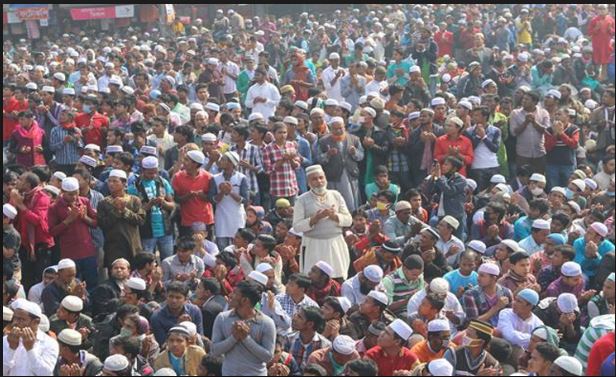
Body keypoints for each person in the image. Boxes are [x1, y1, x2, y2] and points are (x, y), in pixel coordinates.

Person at [293, 165, 353, 280]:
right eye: (314, 179)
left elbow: (349, 220)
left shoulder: (336, 195)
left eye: (321, 178)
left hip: (335, 244)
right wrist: (315, 218)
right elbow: (297, 227)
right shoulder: (301, 200)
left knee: (337, 277)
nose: (319, 182)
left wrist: (334, 216)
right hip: (313, 246)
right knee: (314, 280)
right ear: (308, 182)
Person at [211, 280, 276, 376]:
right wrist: (234, 338)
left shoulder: (266, 323)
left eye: (235, 293)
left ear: (245, 300)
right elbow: (215, 350)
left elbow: (268, 357)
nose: (230, 295)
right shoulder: (223, 318)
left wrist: (246, 338)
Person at [47, 177, 98, 289]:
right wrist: (68, 220)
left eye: (76, 193)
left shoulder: (84, 201)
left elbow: (95, 223)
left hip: (88, 251)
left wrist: (84, 218)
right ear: (62, 192)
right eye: (70, 194)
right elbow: (52, 232)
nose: (74, 197)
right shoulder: (54, 207)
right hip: (69, 254)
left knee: (92, 284)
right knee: (71, 286)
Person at [97, 169, 145, 268]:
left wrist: (124, 211)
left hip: (133, 245)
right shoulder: (103, 203)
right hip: (113, 247)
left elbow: (140, 220)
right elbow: (103, 224)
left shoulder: (134, 200)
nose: (111, 184)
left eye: (115, 181)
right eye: (109, 181)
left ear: (124, 183)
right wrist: (116, 211)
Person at [316, 117, 364, 212]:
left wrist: (355, 153)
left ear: (344, 127)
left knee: (351, 203)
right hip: (333, 177)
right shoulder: (323, 141)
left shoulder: (354, 139)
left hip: (350, 176)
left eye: (340, 128)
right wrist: (328, 154)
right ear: (331, 128)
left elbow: (361, 156)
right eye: (335, 129)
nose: (338, 131)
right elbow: (318, 159)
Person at [3, 299, 59, 376]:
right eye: (15, 318)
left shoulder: (49, 343)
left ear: (36, 322)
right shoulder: (6, 340)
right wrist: (11, 349)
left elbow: (45, 373)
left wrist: (30, 350)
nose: (15, 323)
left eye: (21, 319)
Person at [210, 151, 249, 249]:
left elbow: (245, 200)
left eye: (223, 159)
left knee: (237, 245)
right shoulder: (215, 178)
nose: (220, 161)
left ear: (231, 163)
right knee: (222, 245)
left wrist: (230, 192)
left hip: (236, 216)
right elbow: (212, 200)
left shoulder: (241, 178)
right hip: (221, 216)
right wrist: (222, 192)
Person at [171, 150, 214, 236]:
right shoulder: (178, 177)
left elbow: (212, 198)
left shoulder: (208, 177)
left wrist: (202, 196)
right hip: (187, 221)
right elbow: (176, 199)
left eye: (187, 160)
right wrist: (188, 196)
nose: (184, 162)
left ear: (195, 164)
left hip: (205, 220)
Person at [462, 262, 513, 327]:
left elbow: (512, 317)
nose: (478, 278)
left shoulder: (506, 293)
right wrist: (496, 307)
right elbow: (472, 323)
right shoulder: (470, 295)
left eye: (482, 276)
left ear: (494, 278)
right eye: (478, 275)